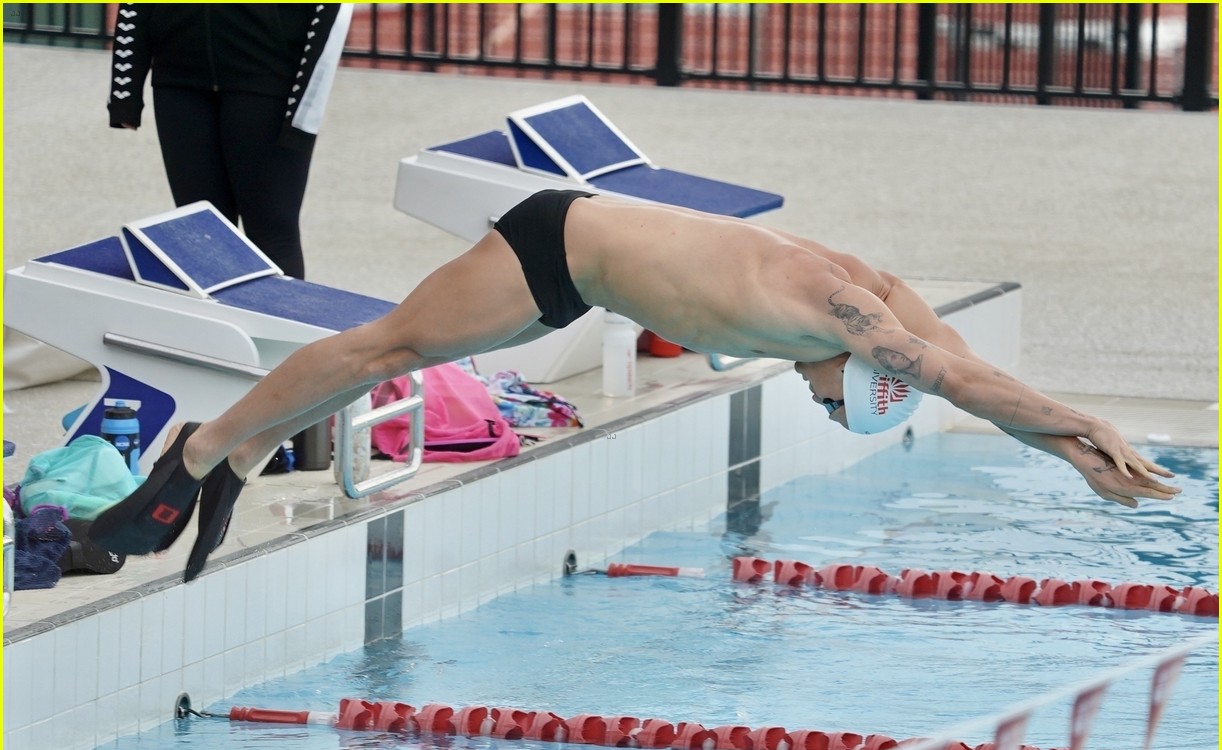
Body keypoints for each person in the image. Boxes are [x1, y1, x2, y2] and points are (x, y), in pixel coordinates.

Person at [90, 190, 1179, 580]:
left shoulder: (872, 302)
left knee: (405, 359)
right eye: (829, 400)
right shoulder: (836, 315)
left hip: (586, 268)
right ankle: (198, 449)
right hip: (556, 244)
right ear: (855, 368)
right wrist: (1087, 422)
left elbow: (972, 381)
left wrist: (1073, 459)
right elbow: (955, 379)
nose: (812, 398)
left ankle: (229, 454)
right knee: (387, 349)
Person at [107, 3, 352, 279]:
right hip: (178, 82)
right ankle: (210, 322)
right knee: (202, 232)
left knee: (272, 233)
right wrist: (124, 93)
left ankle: (280, 321)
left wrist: (304, 113)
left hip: (267, 84)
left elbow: (334, 11)